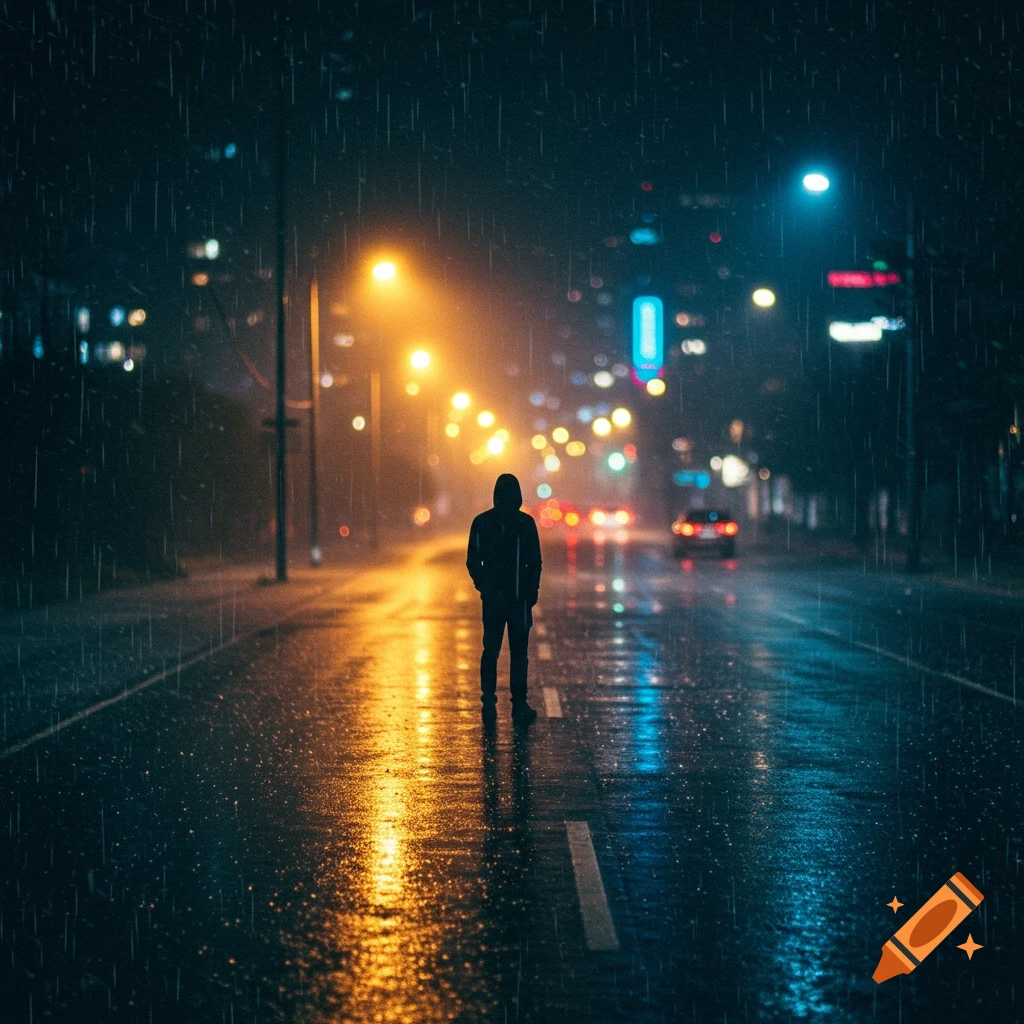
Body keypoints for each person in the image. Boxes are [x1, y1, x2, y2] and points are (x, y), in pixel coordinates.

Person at [466, 473, 542, 724]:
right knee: (517, 653)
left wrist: (484, 586)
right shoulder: (524, 524)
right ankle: (517, 703)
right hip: (515, 598)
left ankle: (489, 700)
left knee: (492, 650)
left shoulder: (482, 523)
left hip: (497, 599)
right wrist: (530, 592)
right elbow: (535, 562)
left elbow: (473, 561)